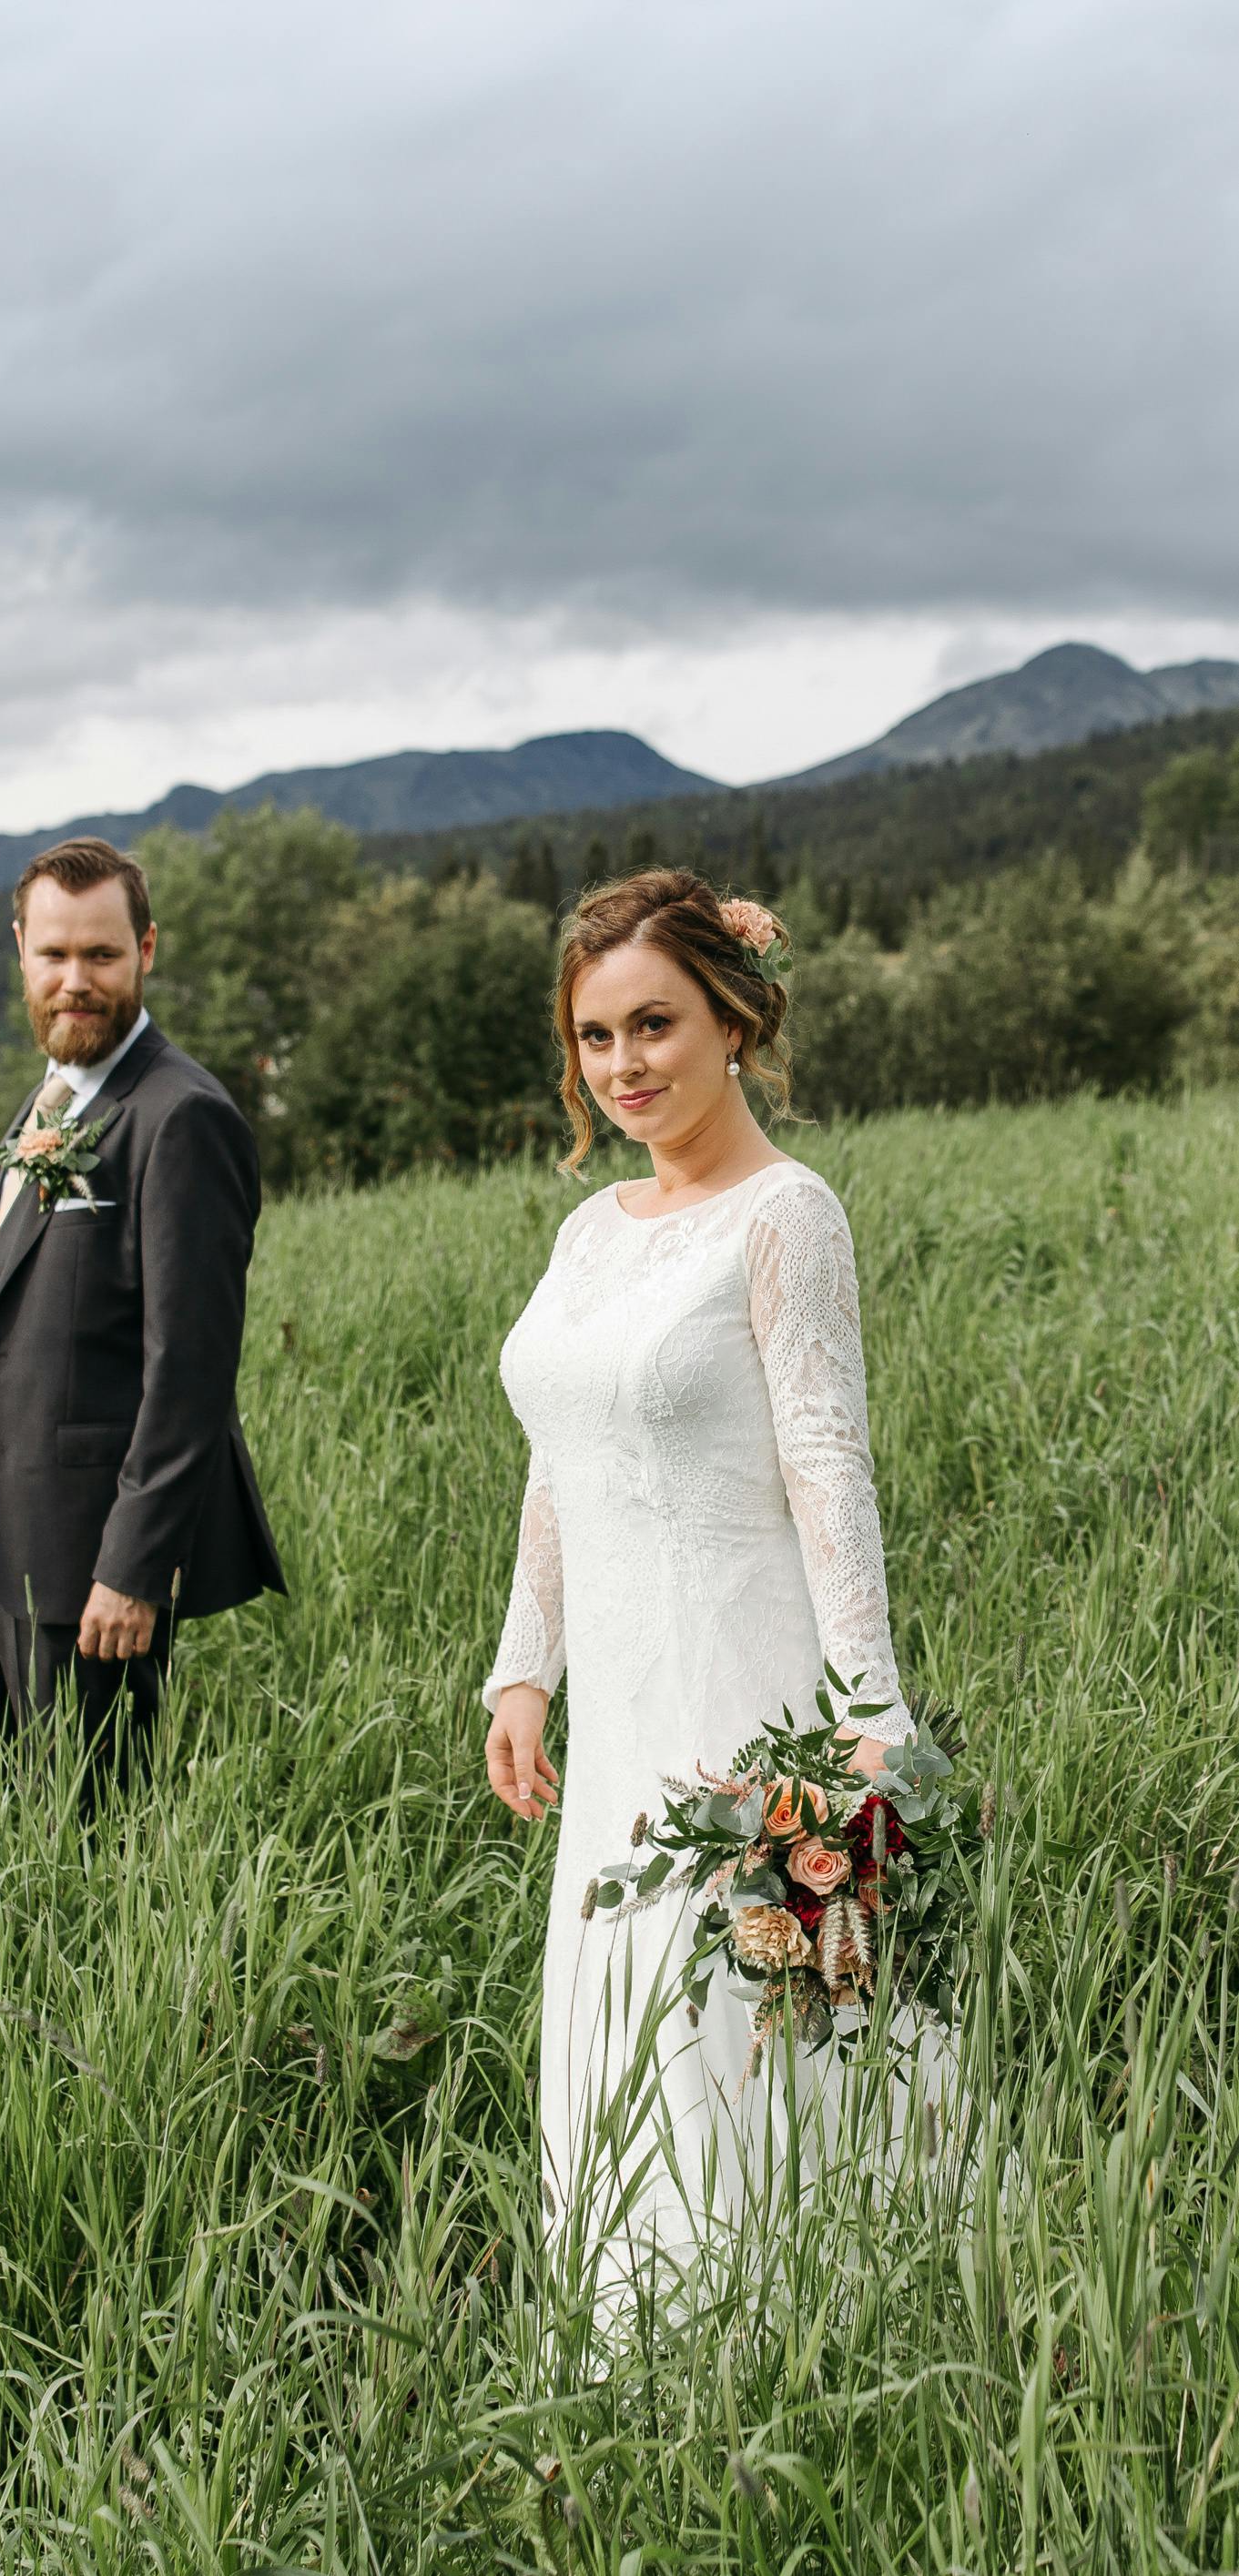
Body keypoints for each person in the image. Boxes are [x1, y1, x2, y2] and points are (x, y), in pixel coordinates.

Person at [481, 867, 939, 2328]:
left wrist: (867, 1717)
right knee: (623, 1998)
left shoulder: (788, 1214)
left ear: (733, 1018)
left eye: (654, 1023)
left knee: (750, 2016)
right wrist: (522, 1668)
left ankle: (798, 2322)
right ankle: (634, 2328)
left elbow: (828, 1467)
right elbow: (559, 1463)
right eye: (596, 1038)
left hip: (747, 1696)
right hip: (614, 1710)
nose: (624, 1065)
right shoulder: (589, 1230)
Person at [0, 836, 285, 1826]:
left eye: (100, 956)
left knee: (84, 1832)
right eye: (53, 955)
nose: (75, 981)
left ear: (145, 950)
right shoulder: (51, 1093)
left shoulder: (181, 1117)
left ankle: (82, 1987)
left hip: (86, 1563)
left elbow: (188, 1373)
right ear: (19, 948)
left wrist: (132, 1569)